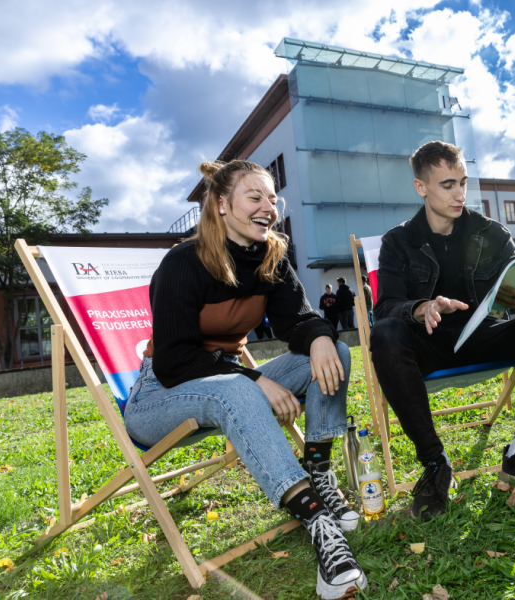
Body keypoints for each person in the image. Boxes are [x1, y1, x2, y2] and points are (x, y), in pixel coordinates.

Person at [123, 160, 366, 599]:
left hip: (228, 381)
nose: (268, 208)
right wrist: (253, 379)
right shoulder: (183, 263)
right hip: (160, 396)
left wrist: (319, 338)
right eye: (255, 197)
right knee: (237, 387)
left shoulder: (270, 256)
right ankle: (319, 522)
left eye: (272, 199)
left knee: (337, 352)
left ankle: (318, 473)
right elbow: (174, 362)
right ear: (221, 204)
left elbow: (299, 319)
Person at [371, 141, 515, 521]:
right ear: (421, 187)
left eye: (463, 183)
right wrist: (422, 308)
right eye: (448, 185)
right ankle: (435, 464)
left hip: (485, 337)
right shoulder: (398, 242)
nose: (460, 194)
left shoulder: (492, 234)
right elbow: (386, 307)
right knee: (385, 332)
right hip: (430, 345)